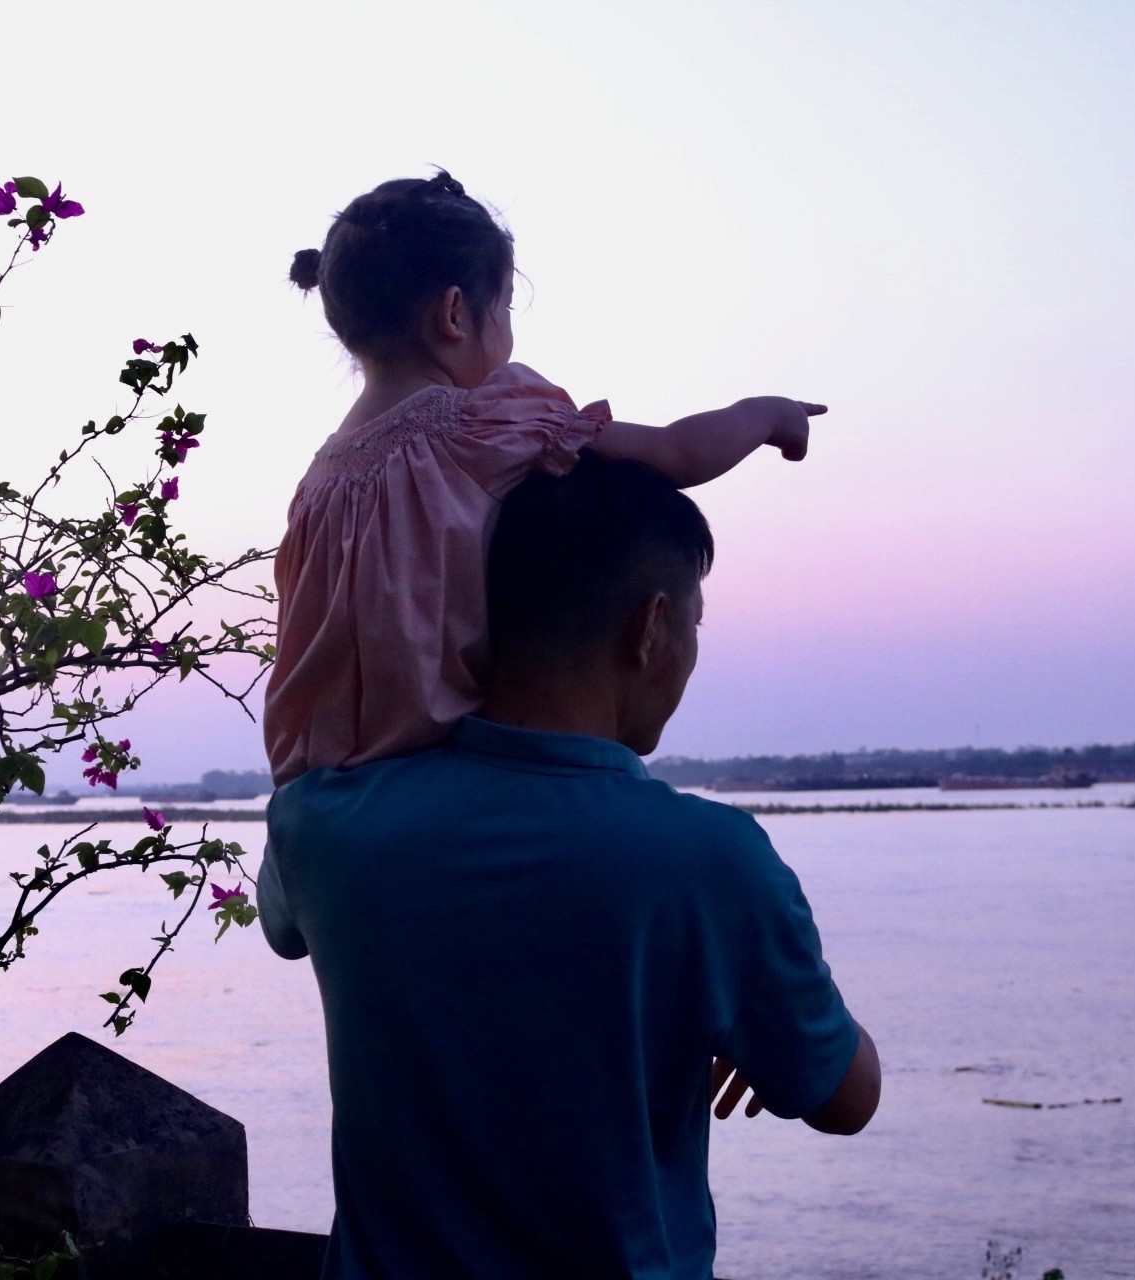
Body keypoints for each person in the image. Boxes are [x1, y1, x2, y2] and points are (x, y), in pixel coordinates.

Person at [260, 455, 880, 1279]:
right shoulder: (711, 862)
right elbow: (845, 1097)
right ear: (651, 627)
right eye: (695, 628)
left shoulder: (325, 826)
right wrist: (740, 1004)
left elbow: (288, 926)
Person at [266, 169, 826, 784]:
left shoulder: (316, 488)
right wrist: (769, 415)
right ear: (454, 314)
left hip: (310, 793)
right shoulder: (482, 426)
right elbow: (676, 453)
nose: (508, 328)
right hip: (437, 780)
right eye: (504, 306)